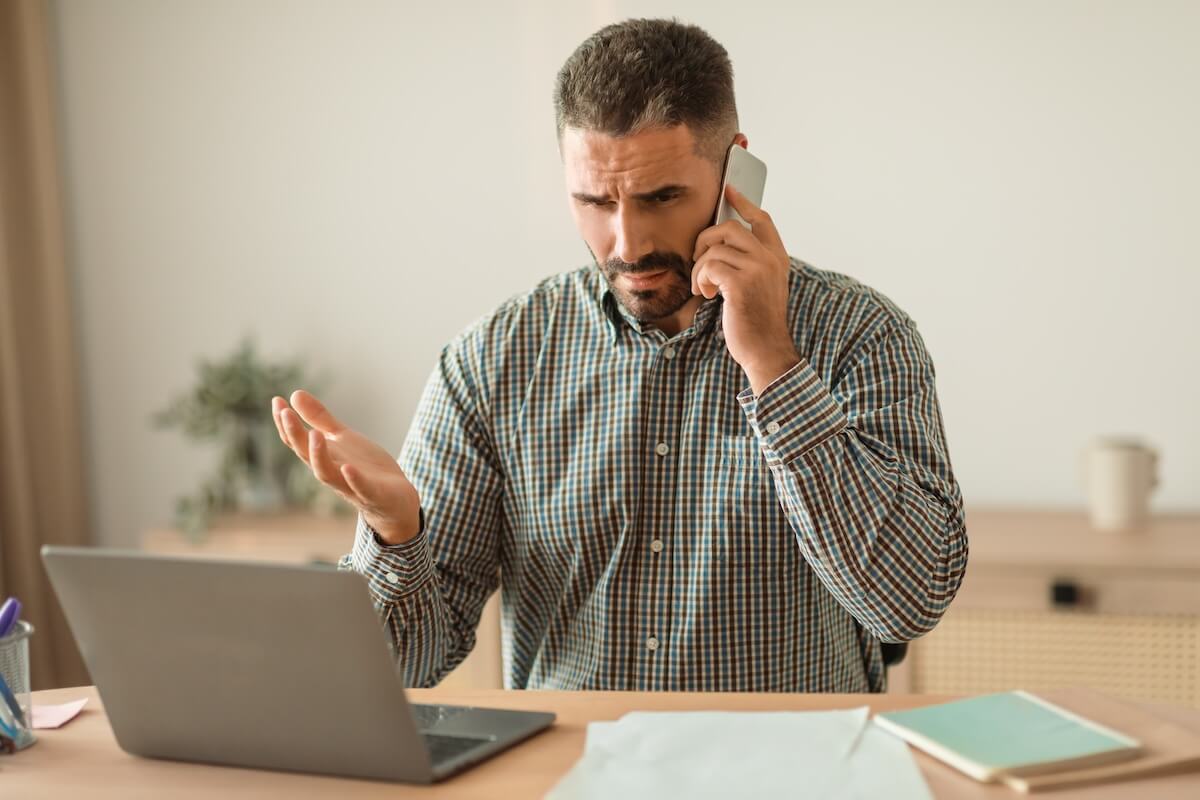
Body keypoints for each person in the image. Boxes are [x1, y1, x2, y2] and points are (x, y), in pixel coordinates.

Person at [272, 18, 967, 693]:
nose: (627, 243)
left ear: (738, 168)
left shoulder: (862, 334)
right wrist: (396, 534)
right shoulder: (491, 363)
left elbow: (909, 605)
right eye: (594, 200)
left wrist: (775, 366)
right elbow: (407, 666)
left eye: (661, 197)